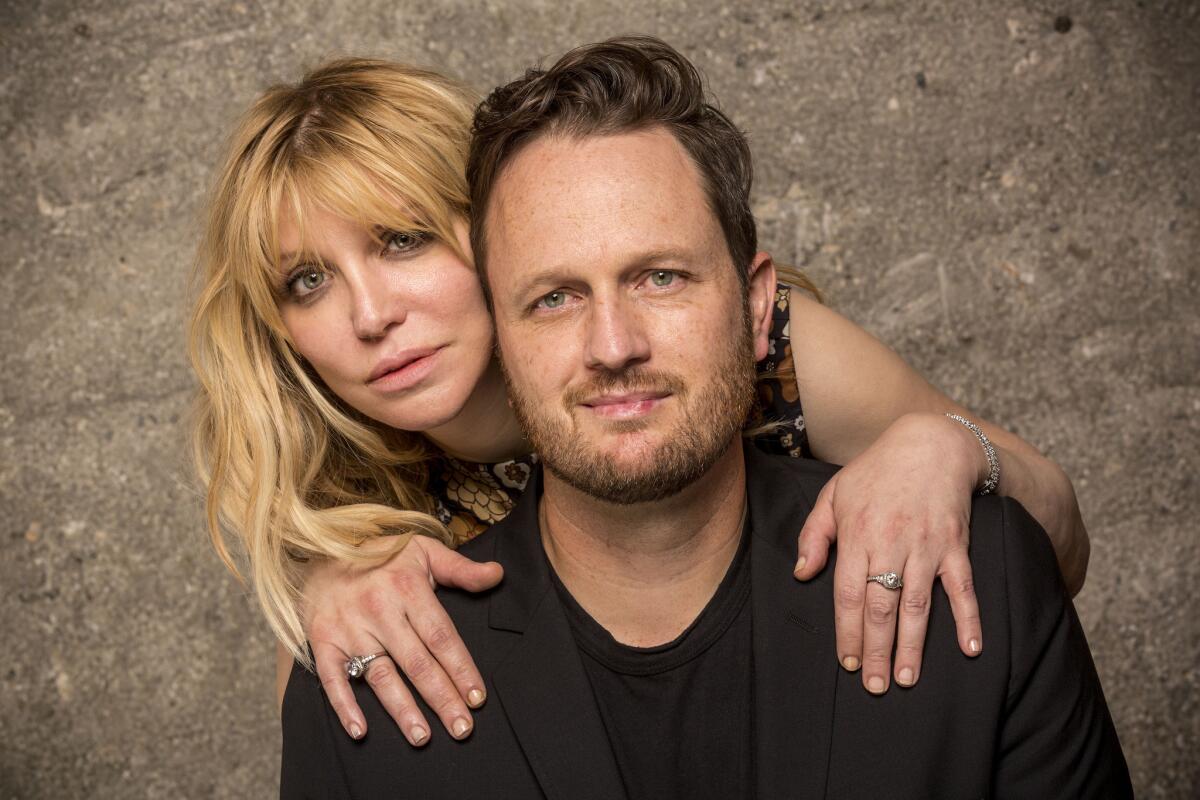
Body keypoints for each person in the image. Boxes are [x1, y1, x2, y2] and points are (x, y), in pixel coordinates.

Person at [280, 36, 1131, 798]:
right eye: (554, 295)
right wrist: (324, 592)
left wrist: (946, 448)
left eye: (401, 240)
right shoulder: (350, 555)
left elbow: (1050, 533)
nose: (372, 314)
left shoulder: (794, 356)